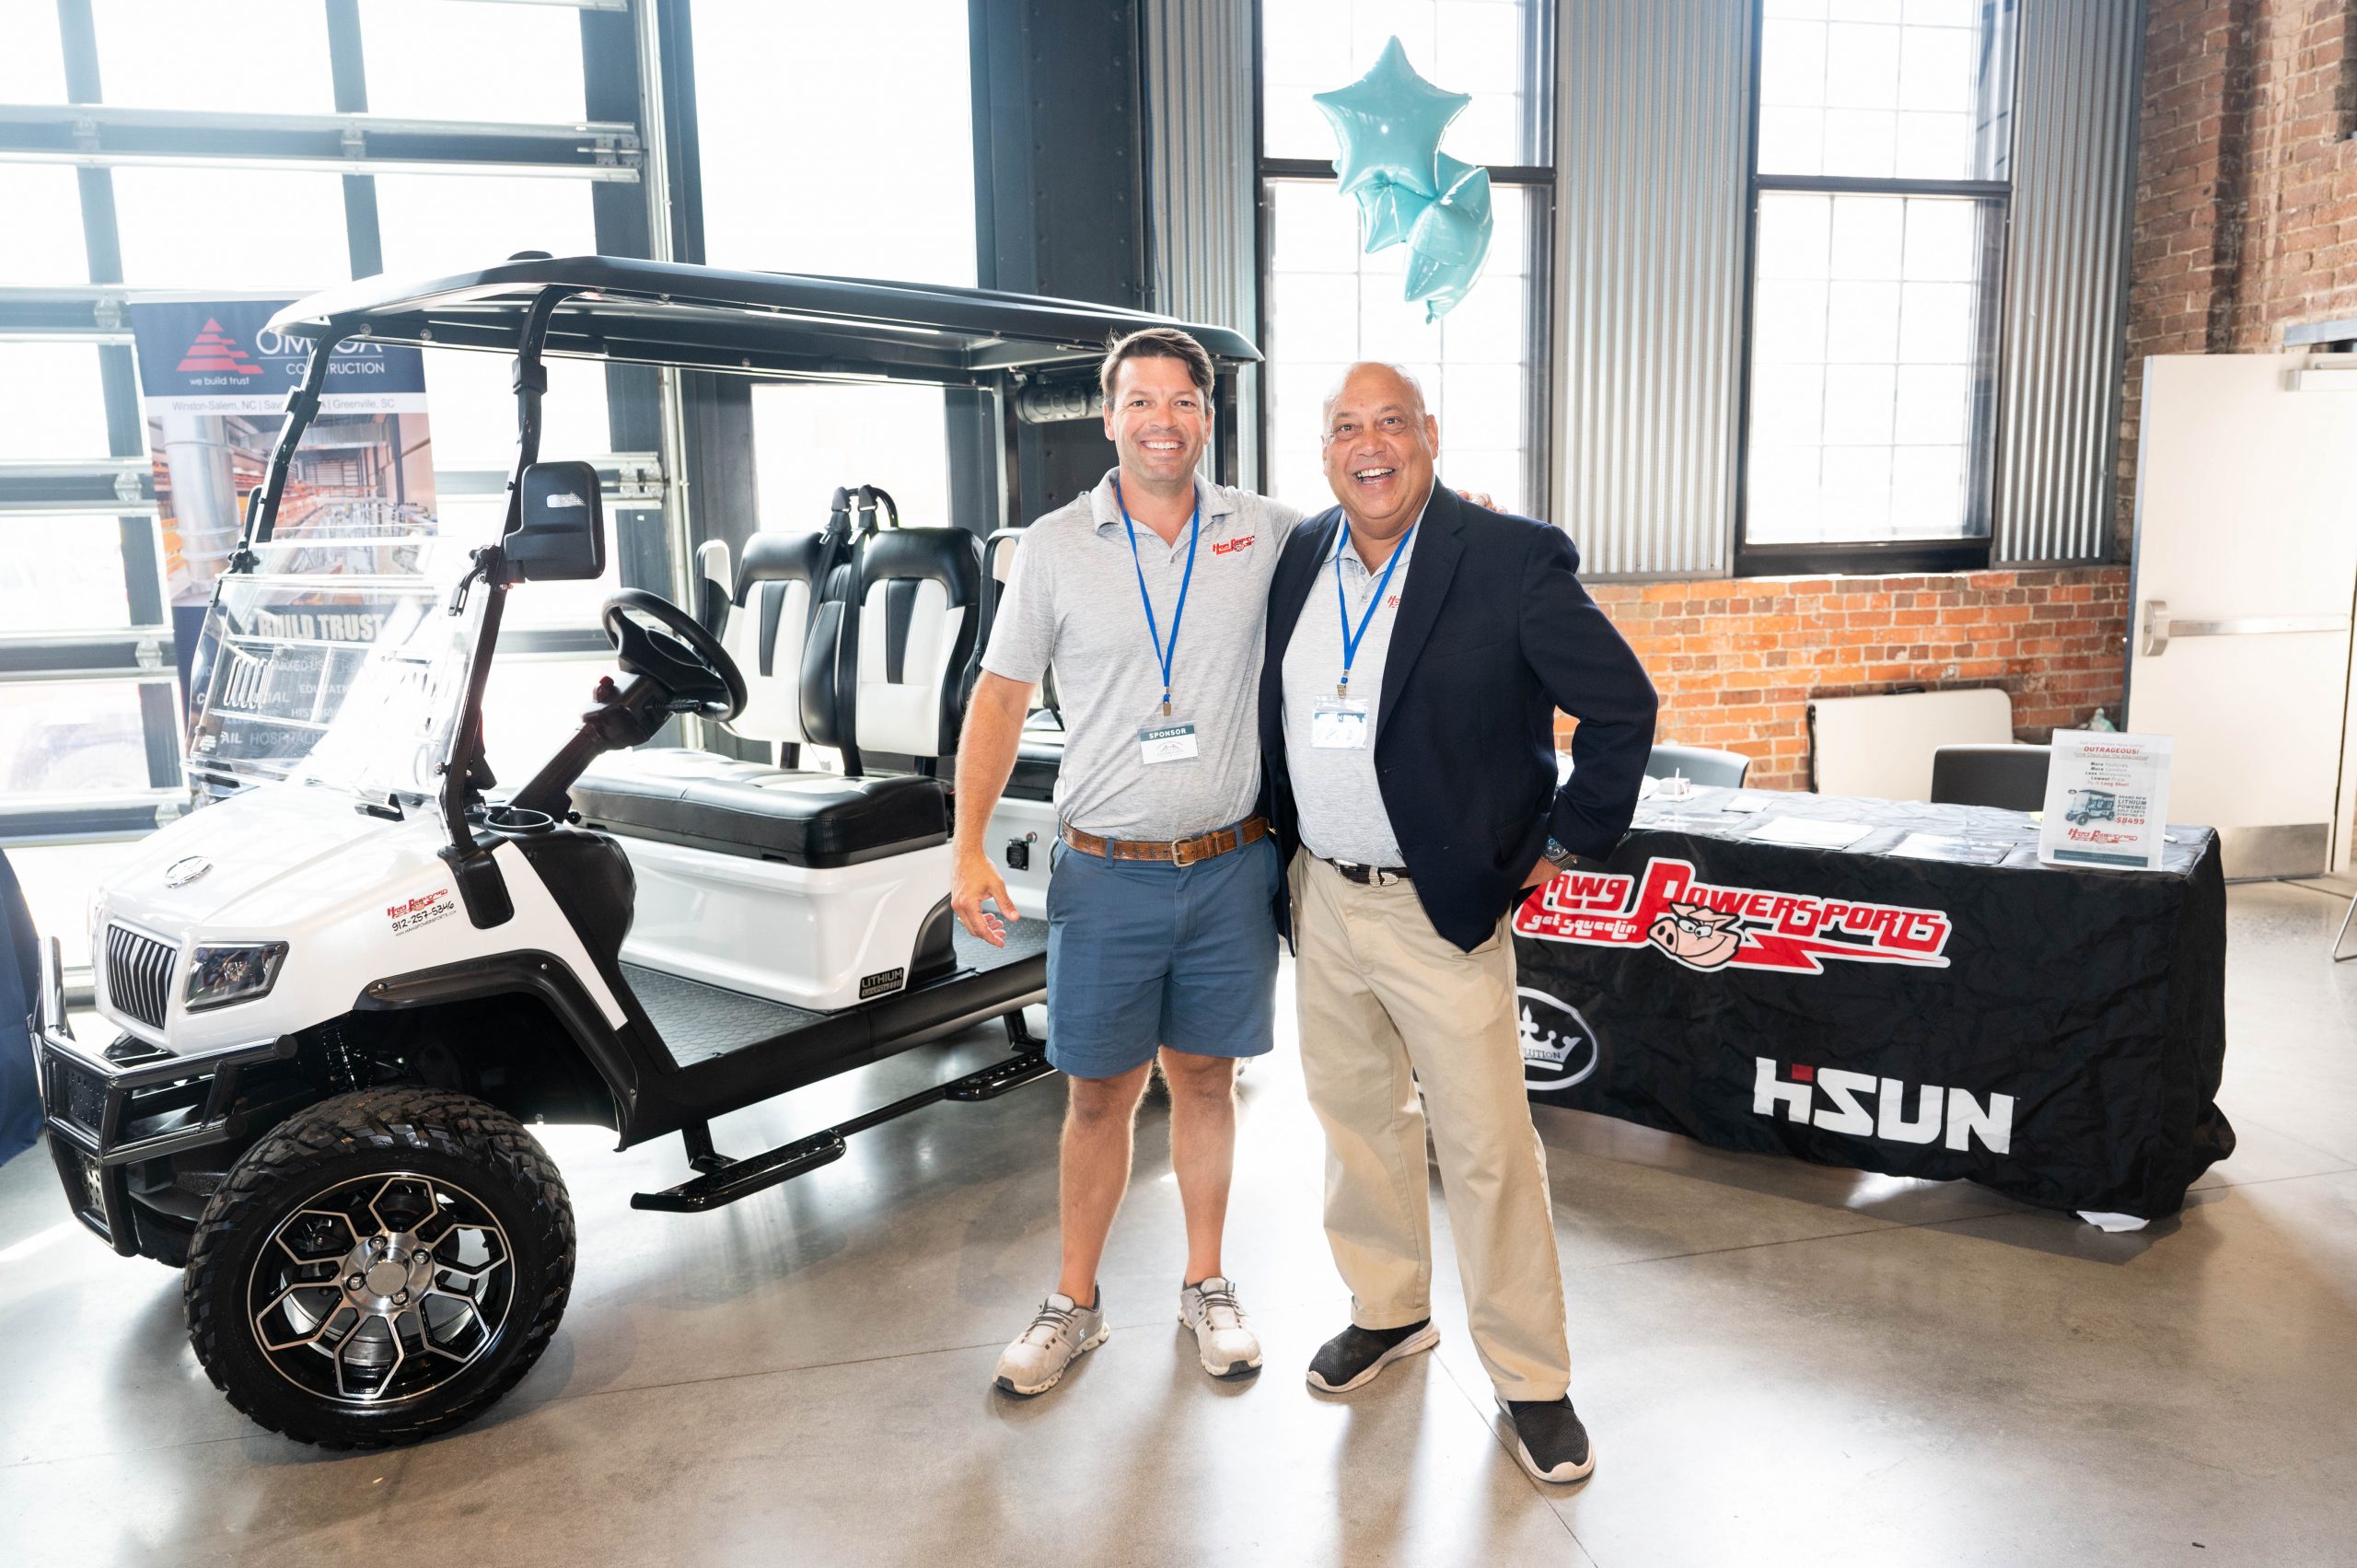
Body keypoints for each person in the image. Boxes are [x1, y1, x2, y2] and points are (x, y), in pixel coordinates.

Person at [1255, 361, 1656, 1483]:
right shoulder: (1301, 554)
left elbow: (1621, 706)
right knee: (1355, 1120)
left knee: (1486, 1148)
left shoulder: (1509, 556)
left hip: (1441, 907)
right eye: (1346, 427)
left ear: (1427, 435)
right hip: (1322, 894)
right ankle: (1389, 1307)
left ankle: (1532, 1379)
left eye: (1390, 422)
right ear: (1322, 450)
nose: (1368, 445)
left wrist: (1564, 844)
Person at [951, 327, 1301, 1397]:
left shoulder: (1267, 530)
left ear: (1208, 416)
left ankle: (1206, 1282)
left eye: (1182, 400)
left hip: (1231, 865)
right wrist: (966, 845)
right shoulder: (1055, 545)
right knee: (1099, 1094)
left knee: (1205, 1079)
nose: (1162, 420)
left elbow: (1377, 553)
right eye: (1139, 400)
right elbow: (1000, 695)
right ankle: (1075, 1301)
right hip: (1106, 872)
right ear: (1109, 418)